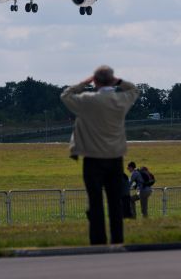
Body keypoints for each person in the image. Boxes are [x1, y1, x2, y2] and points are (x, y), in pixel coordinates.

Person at [60, 65, 139, 245]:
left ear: (94, 81)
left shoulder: (87, 101)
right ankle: (117, 239)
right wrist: (118, 82)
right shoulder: (120, 101)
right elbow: (134, 89)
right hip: (115, 158)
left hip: (93, 159)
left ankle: (98, 241)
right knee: (115, 202)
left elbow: (65, 95)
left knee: (95, 202)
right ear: (112, 80)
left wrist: (83, 83)